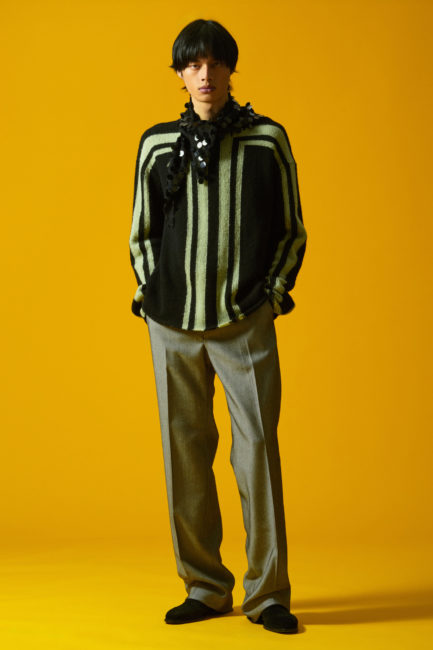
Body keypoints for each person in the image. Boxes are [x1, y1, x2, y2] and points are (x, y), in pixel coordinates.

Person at [129, 18, 307, 635]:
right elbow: (142, 233)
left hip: (244, 322)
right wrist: (151, 295)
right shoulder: (156, 145)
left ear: (231, 68)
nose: (204, 75)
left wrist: (271, 297)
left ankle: (268, 593)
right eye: (193, 64)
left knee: (257, 452)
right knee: (184, 455)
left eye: (214, 63)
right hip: (171, 325)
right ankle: (204, 587)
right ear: (180, 73)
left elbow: (291, 229)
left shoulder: (266, 140)